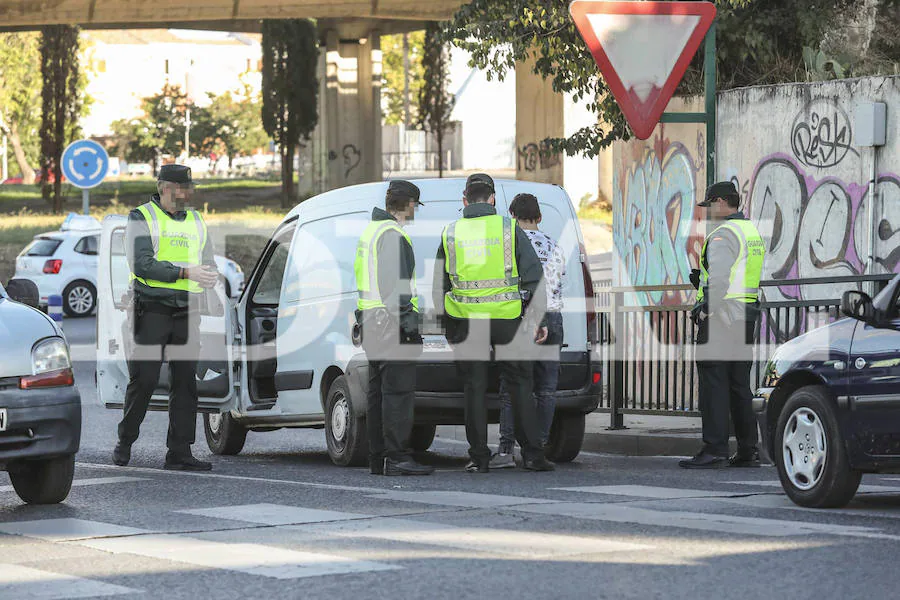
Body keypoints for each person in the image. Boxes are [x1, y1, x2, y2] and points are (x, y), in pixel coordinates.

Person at [432, 173, 555, 473]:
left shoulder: (450, 232)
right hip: (507, 320)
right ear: (492, 199)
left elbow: (439, 286)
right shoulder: (509, 228)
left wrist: (445, 326)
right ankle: (533, 455)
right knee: (520, 385)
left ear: (464, 199)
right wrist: (538, 319)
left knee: (473, 388)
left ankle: (479, 456)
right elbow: (535, 278)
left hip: (465, 321)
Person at [113, 164, 219, 471]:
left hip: (188, 312)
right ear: (164, 188)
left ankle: (179, 452)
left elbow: (207, 259)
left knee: (185, 383)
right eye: (181, 188)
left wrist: (210, 275)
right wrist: (186, 272)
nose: (187, 193)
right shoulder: (141, 217)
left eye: (189, 188)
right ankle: (125, 441)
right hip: (152, 310)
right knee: (143, 380)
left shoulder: (197, 220)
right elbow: (143, 264)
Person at [680, 181, 765, 469]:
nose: (709, 213)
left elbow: (719, 278)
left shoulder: (722, 234)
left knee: (714, 383)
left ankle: (714, 448)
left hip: (721, 317)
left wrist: (707, 310)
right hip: (745, 316)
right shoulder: (750, 231)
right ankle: (747, 449)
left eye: (710, 206)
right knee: (740, 384)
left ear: (720, 202)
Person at [354, 180, 434, 476]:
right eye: (415, 205)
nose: (415, 210)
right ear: (409, 204)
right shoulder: (392, 234)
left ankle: (379, 458)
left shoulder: (372, 231)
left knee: (379, 394)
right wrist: (409, 323)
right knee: (398, 393)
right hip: (390, 323)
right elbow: (395, 287)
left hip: (371, 322)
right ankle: (398, 457)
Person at [491, 193, 567, 469]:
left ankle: (505, 449)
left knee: (511, 387)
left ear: (512, 216)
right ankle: (538, 448)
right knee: (546, 390)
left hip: (522, 318)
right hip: (554, 317)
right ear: (540, 217)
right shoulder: (554, 245)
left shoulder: (508, 246)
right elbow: (559, 282)